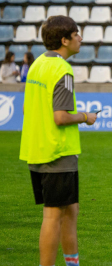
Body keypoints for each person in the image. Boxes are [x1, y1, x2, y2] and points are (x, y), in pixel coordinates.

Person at [19, 16, 97, 266]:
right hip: (56, 151)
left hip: (37, 147)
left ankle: (72, 263)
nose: (80, 38)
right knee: (53, 215)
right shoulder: (62, 69)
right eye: (77, 34)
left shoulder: (37, 64)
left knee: (71, 208)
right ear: (64, 40)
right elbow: (61, 117)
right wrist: (86, 116)